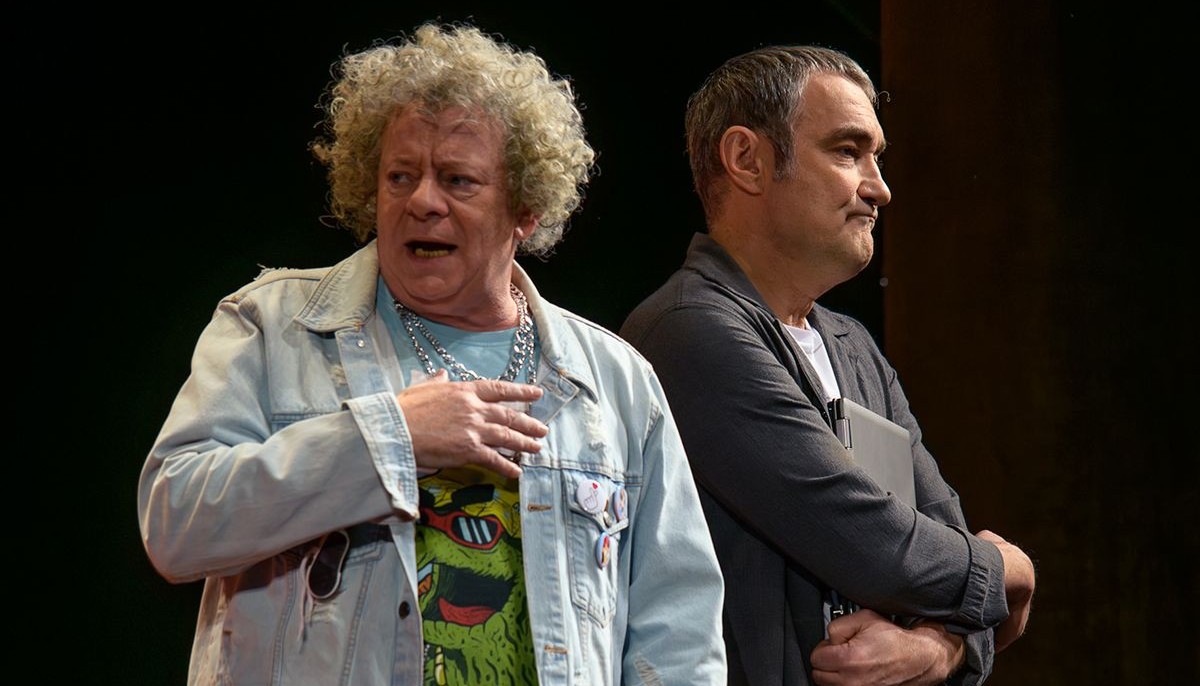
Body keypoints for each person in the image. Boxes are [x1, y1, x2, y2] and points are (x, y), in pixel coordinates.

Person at [138, 23, 727, 686]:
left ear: (526, 208)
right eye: (400, 176)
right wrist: (390, 438)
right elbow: (175, 522)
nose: (421, 201)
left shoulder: (614, 382)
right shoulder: (274, 327)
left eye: (457, 180)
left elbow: (678, 635)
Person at [619, 45, 1035, 686]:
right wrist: (1011, 571)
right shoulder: (690, 330)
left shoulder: (853, 345)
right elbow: (880, 546)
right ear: (747, 160)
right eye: (847, 151)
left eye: (877, 158)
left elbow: (941, 545)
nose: (880, 188)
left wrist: (940, 652)